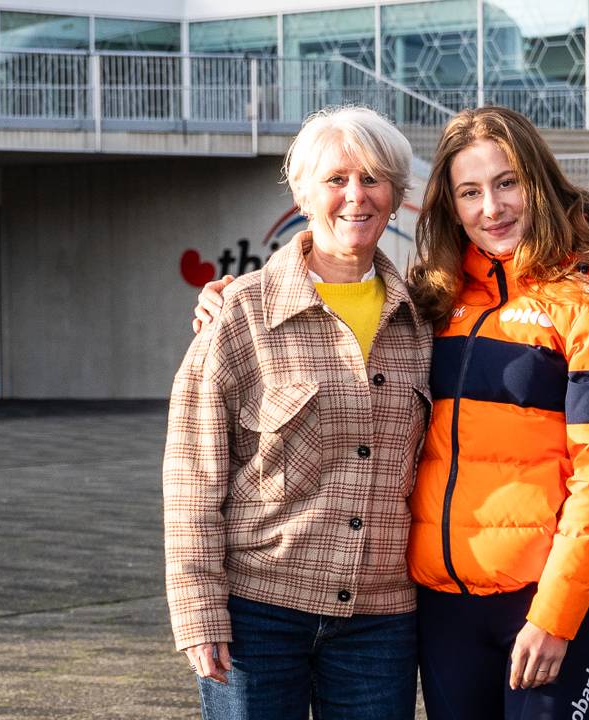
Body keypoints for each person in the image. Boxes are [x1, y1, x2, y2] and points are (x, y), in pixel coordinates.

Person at [193, 106, 589, 720]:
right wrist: (231, 294)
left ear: (538, 181)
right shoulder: (437, 298)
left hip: (537, 603)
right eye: (470, 192)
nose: (491, 208)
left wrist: (555, 616)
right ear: (449, 205)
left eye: (507, 182)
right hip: (438, 609)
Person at [163, 105, 432, 720]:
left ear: (395, 195)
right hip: (258, 615)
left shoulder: (424, 320)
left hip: (380, 624)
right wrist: (197, 609)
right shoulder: (242, 315)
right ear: (303, 193)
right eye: (337, 179)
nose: (356, 196)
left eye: (373, 179)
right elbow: (191, 477)